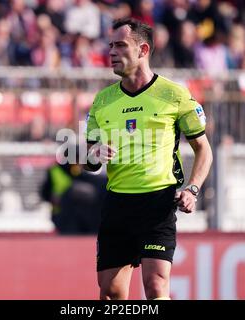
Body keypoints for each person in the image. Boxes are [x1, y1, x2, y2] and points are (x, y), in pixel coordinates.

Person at [84, 18, 213, 300]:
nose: (112, 52)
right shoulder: (102, 101)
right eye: (110, 46)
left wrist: (192, 189)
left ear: (143, 50)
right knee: (111, 293)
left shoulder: (174, 95)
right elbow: (89, 158)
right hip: (117, 203)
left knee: (155, 286)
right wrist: (94, 153)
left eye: (120, 45)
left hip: (158, 202)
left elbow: (204, 149)